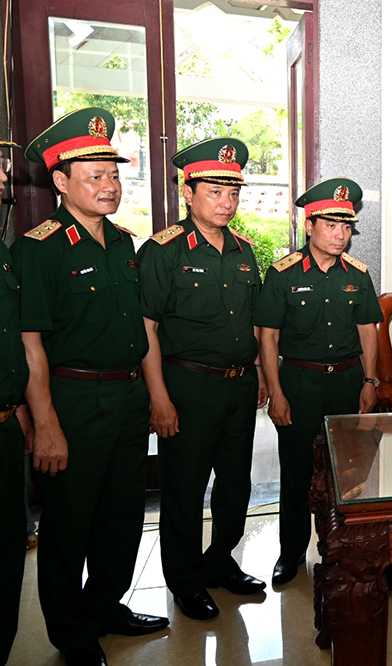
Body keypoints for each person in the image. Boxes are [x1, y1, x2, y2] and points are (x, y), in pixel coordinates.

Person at [14, 108, 167, 666]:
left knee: (122, 513)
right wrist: (45, 423)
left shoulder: (124, 244)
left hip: (126, 397)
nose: (110, 186)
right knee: (69, 521)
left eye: (114, 175)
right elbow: (30, 341)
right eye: (95, 176)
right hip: (73, 400)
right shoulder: (41, 247)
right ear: (61, 181)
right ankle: (71, 632)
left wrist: (153, 396)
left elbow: (140, 330)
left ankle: (106, 606)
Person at [138, 138, 268, 622]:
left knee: (236, 484)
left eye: (233, 193)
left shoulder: (244, 250)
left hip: (238, 385)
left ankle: (220, 561)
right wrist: (159, 398)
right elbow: (147, 328)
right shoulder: (163, 250)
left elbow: (253, 321)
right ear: (188, 192)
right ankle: (185, 579)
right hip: (187, 386)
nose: (226, 203)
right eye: (215, 191)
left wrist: (258, 372)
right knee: (185, 489)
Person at [255, 177, 382, 586]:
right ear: (309, 226)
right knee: (296, 473)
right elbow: (268, 337)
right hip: (299, 383)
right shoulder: (282, 274)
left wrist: (370, 381)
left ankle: (344, 551)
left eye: (346, 227)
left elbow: (368, 331)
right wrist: (276, 392)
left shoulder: (358, 275)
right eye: (331, 225)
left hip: (346, 382)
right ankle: (290, 552)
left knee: (350, 472)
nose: (340, 235)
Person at [0, 139, 31, 666]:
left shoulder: (4, 254)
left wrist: (23, 409)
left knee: (8, 551)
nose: (4, 177)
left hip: (6, 421)